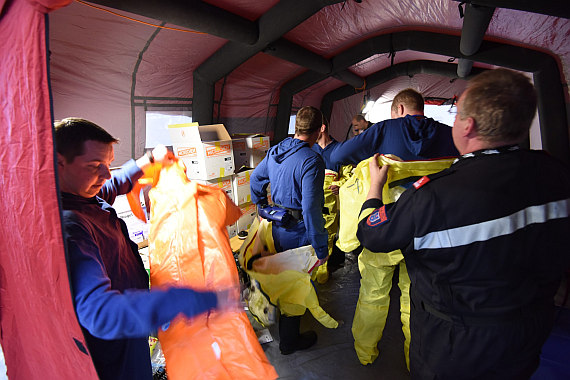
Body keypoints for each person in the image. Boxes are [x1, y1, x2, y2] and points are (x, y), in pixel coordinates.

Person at [357, 68, 570, 379]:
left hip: (455, 346)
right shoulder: (557, 175)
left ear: (468, 126)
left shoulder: (433, 197)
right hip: (530, 329)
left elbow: (372, 234)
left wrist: (375, 188)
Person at [55, 118, 234, 380]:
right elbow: (101, 313)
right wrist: (191, 299)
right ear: (59, 162)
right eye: (95, 166)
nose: (105, 175)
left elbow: (112, 184)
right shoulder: (71, 227)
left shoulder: (82, 194)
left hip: (130, 329)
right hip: (113, 346)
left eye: (108, 163)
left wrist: (149, 161)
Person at [332, 88, 460, 367]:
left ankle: (366, 352)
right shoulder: (449, 134)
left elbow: (337, 157)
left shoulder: (383, 131)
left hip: (384, 229)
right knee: (414, 298)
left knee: (373, 293)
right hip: (426, 232)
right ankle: (412, 357)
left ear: (399, 110)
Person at [250, 106, 328, 354]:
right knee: (295, 286)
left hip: (276, 228)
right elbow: (311, 208)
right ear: (318, 130)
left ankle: (276, 321)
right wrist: (321, 246)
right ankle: (289, 342)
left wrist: (262, 206)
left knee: (280, 277)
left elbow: (255, 180)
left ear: (297, 128)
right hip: (299, 232)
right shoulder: (312, 160)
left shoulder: (275, 152)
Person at [311, 116, 351, 283]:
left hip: (331, 203)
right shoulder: (309, 149)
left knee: (327, 234)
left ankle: (322, 269)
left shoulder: (340, 150)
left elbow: (350, 176)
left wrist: (340, 184)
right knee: (311, 233)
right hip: (311, 200)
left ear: (322, 128)